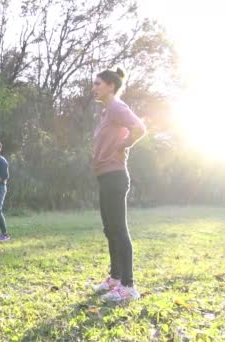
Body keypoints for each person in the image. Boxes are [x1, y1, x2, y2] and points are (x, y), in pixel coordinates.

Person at [91, 68, 147, 302]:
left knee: (119, 229)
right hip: (105, 176)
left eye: (98, 84)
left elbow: (140, 128)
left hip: (115, 175)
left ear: (111, 86)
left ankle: (128, 286)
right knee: (109, 229)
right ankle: (115, 278)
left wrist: (125, 145)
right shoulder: (106, 112)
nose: (94, 88)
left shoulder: (116, 107)